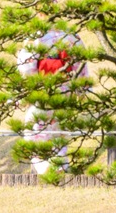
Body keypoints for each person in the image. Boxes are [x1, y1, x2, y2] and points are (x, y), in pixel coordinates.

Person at [16, 26, 88, 174]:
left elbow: (27, 68)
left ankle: (45, 169)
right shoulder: (71, 35)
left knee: (34, 132)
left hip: (42, 89)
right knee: (60, 133)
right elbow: (81, 64)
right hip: (65, 90)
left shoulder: (35, 36)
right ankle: (60, 167)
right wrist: (82, 89)